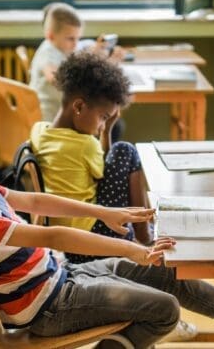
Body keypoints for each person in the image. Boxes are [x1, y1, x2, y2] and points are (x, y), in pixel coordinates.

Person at [0, 97, 214, 349]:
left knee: (167, 273)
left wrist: (106, 212)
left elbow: (35, 200)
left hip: (61, 277)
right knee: (165, 310)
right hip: (49, 306)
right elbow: (54, 234)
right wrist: (134, 249)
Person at [30, 52, 151, 263]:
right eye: (103, 118)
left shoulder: (39, 131)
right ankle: (145, 235)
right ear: (78, 107)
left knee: (121, 153)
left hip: (65, 241)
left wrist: (104, 128)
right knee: (125, 150)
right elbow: (105, 175)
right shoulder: (85, 145)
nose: (103, 125)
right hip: (96, 238)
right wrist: (107, 134)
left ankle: (142, 229)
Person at [29, 2, 125, 141]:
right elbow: (55, 78)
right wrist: (109, 64)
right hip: (52, 121)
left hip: (65, 114)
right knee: (110, 124)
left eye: (78, 38)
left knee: (111, 123)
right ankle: (100, 160)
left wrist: (97, 52)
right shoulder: (47, 53)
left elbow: (81, 50)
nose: (75, 43)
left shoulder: (63, 47)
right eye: (71, 38)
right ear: (51, 36)